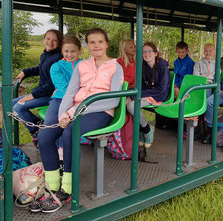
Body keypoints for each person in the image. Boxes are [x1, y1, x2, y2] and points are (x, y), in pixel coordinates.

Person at [33, 28, 123, 214]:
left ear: (106, 44)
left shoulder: (116, 66)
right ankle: (52, 186)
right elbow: (70, 92)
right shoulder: (82, 65)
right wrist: (62, 115)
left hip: (100, 110)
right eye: (92, 42)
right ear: (87, 45)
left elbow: (113, 99)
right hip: (75, 110)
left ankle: (67, 189)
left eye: (100, 42)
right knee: (45, 135)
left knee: (70, 133)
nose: (96, 45)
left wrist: (75, 111)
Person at [13, 29, 63, 145]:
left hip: (50, 96)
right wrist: (25, 72)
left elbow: (51, 85)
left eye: (54, 40)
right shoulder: (45, 55)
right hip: (41, 93)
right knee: (11, 104)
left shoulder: (57, 59)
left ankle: (36, 131)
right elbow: (40, 68)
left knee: (18, 108)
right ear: (43, 39)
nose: (50, 42)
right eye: (48, 39)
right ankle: (39, 125)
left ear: (59, 44)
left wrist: (33, 95)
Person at [126, 42, 170, 148]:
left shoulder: (162, 67)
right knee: (125, 102)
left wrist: (136, 96)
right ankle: (141, 131)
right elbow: (141, 86)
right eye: (143, 52)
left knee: (132, 106)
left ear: (155, 53)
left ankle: (147, 130)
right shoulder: (144, 67)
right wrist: (133, 95)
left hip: (158, 96)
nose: (146, 54)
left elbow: (162, 89)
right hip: (147, 95)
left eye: (149, 51)